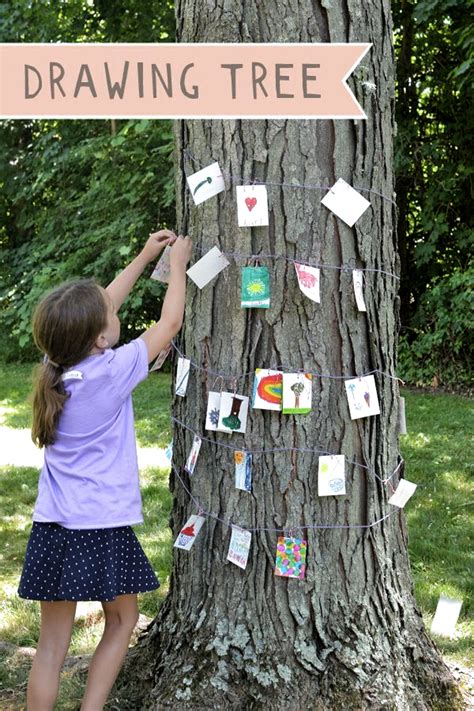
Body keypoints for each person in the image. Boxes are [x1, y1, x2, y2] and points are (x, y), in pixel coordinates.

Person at [17, 229, 193, 711]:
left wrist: (143, 255)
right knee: (121, 620)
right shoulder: (112, 372)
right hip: (99, 526)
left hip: (52, 525)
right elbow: (171, 322)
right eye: (111, 319)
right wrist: (176, 263)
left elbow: (100, 306)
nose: (114, 314)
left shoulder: (58, 363)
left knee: (51, 646)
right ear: (99, 336)